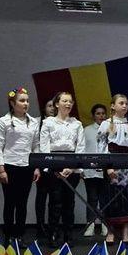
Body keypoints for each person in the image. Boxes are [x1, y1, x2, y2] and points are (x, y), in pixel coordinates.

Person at [0, 87, 40, 245]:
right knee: (10, 202)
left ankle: (19, 236)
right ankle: (7, 236)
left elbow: (36, 146)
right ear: (12, 103)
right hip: (9, 166)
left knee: (22, 203)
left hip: (27, 166)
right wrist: (1, 169)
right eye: (22, 100)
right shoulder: (4, 121)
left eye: (27, 101)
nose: (26, 103)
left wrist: (36, 167)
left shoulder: (33, 122)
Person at [40, 91, 85, 245]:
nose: (68, 104)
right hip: (53, 164)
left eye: (70, 101)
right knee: (55, 201)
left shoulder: (77, 124)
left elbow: (80, 148)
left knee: (69, 202)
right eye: (64, 101)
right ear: (57, 104)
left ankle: (68, 234)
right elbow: (44, 147)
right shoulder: (48, 123)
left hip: (71, 164)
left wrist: (72, 168)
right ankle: (53, 234)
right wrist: (53, 167)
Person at [98, 94, 128, 244]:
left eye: (126, 103)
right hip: (112, 164)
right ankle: (110, 232)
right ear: (113, 106)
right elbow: (101, 147)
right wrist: (108, 168)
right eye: (121, 103)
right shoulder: (105, 124)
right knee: (111, 198)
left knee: (127, 198)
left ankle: (125, 233)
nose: (124, 106)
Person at [82, 104, 108, 237]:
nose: (101, 116)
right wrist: (81, 168)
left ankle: (105, 225)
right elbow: (82, 150)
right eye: (98, 113)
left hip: (106, 171)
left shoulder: (110, 129)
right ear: (93, 116)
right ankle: (90, 225)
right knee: (92, 198)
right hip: (90, 171)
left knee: (105, 199)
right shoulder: (86, 130)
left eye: (103, 113)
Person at [34, 98, 55, 240]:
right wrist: (36, 166)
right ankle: (40, 226)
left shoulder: (60, 122)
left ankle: (53, 227)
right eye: (49, 106)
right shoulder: (36, 122)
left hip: (56, 164)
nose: (52, 108)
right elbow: (34, 144)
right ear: (44, 108)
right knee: (41, 196)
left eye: (54, 106)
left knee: (55, 197)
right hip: (41, 164)